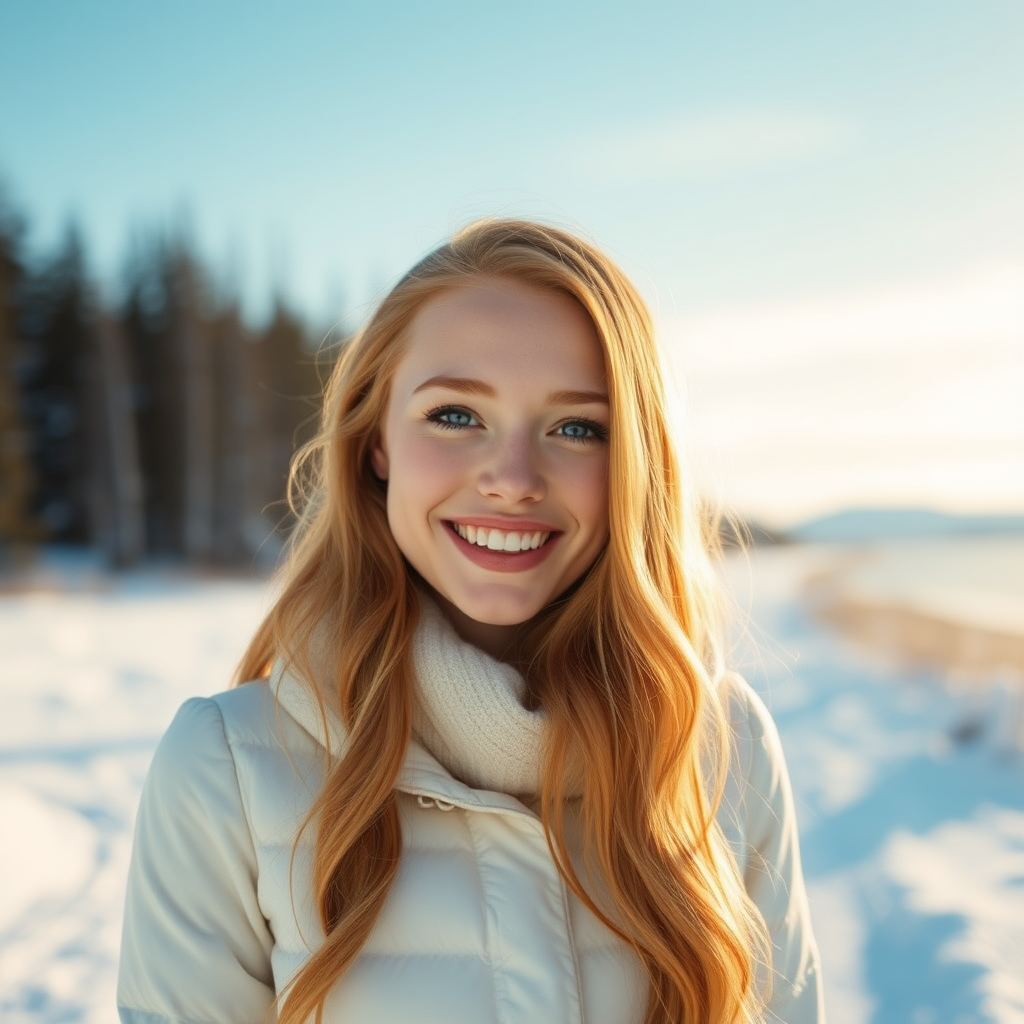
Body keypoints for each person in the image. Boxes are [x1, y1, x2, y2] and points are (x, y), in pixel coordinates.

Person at [117, 219, 824, 1024]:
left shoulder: (720, 751)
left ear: (634, 465)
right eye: (455, 415)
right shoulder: (226, 771)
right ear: (374, 439)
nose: (514, 479)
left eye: (578, 428)